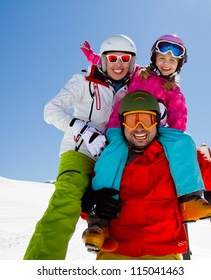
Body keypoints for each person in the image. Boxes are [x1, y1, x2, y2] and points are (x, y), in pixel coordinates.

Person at [80, 35, 211, 251]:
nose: (166, 63)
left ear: (179, 65)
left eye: (172, 61)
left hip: (155, 130)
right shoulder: (139, 73)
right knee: (111, 158)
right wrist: (91, 56)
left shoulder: (174, 92)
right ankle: (97, 224)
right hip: (121, 125)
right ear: (154, 57)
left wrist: (163, 129)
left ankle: (190, 199)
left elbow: (179, 122)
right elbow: (113, 64)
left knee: (184, 141)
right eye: (162, 58)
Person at [81, 90, 211, 260]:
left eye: (147, 121)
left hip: (163, 253)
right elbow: (83, 191)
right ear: (123, 124)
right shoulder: (108, 154)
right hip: (115, 251)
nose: (140, 128)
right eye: (132, 121)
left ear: (157, 123)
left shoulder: (178, 156)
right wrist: (90, 202)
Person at [23, 34, 137, 260]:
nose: (118, 64)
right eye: (112, 58)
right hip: (79, 153)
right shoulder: (85, 79)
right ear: (103, 60)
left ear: (132, 62)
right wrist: (83, 129)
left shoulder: (134, 86)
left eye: (125, 59)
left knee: (114, 209)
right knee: (66, 202)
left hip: (112, 158)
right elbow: (51, 110)